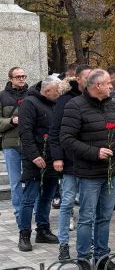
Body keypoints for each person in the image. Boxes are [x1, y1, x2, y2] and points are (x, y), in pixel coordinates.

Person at [60, 69, 115, 270]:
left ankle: (102, 258)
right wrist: (94, 152)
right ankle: (83, 258)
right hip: (89, 173)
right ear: (97, 85)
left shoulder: (113, 106)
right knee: (87, 218)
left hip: (111, 172)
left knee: (105, 217)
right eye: (108, 83)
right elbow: (66, 139)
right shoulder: (75, 106)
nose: (111, 86)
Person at [49, 64, 92, 260]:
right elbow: (55, 131)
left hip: (91, 161)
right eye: (88, 77)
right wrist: (57, 157)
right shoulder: (65, 100)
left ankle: (87, 243)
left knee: (88, 205)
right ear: (78, 79)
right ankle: (64, 245)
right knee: (67, 203)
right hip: (70, 161)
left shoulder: (96, 100)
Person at [17, 75, 62, 252]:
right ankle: (24, 234)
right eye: (57, 91)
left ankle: (43, 229)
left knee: (48, 197)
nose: (59, 94)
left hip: (52, 158)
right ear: (47, 90)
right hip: (34, 158)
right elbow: (25, 132)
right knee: (29, 198)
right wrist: (34, 155)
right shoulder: (29, 103)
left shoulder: (54, 104)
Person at [0, 67, 28, 226]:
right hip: (10, 145)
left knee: (32, 181)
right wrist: (11, 121)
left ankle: (33, 214)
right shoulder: (2, 96)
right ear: (10, 78)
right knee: (15, 182)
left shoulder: (31, 94)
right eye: (18, 77)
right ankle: (20, 217)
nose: (22, 79)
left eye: (23, 76)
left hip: (29, 144)